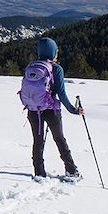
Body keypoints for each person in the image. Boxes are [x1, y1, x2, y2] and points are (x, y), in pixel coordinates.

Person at [26, 37, 83, 179]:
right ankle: (71, 170)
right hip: (51, 111)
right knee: (59, 139)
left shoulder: (31, 67)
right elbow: (62, 94)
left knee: (37, 141)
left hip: (33, 110)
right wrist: (73, 110)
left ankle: (39, 173)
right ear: (53, 52)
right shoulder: (56, 69)